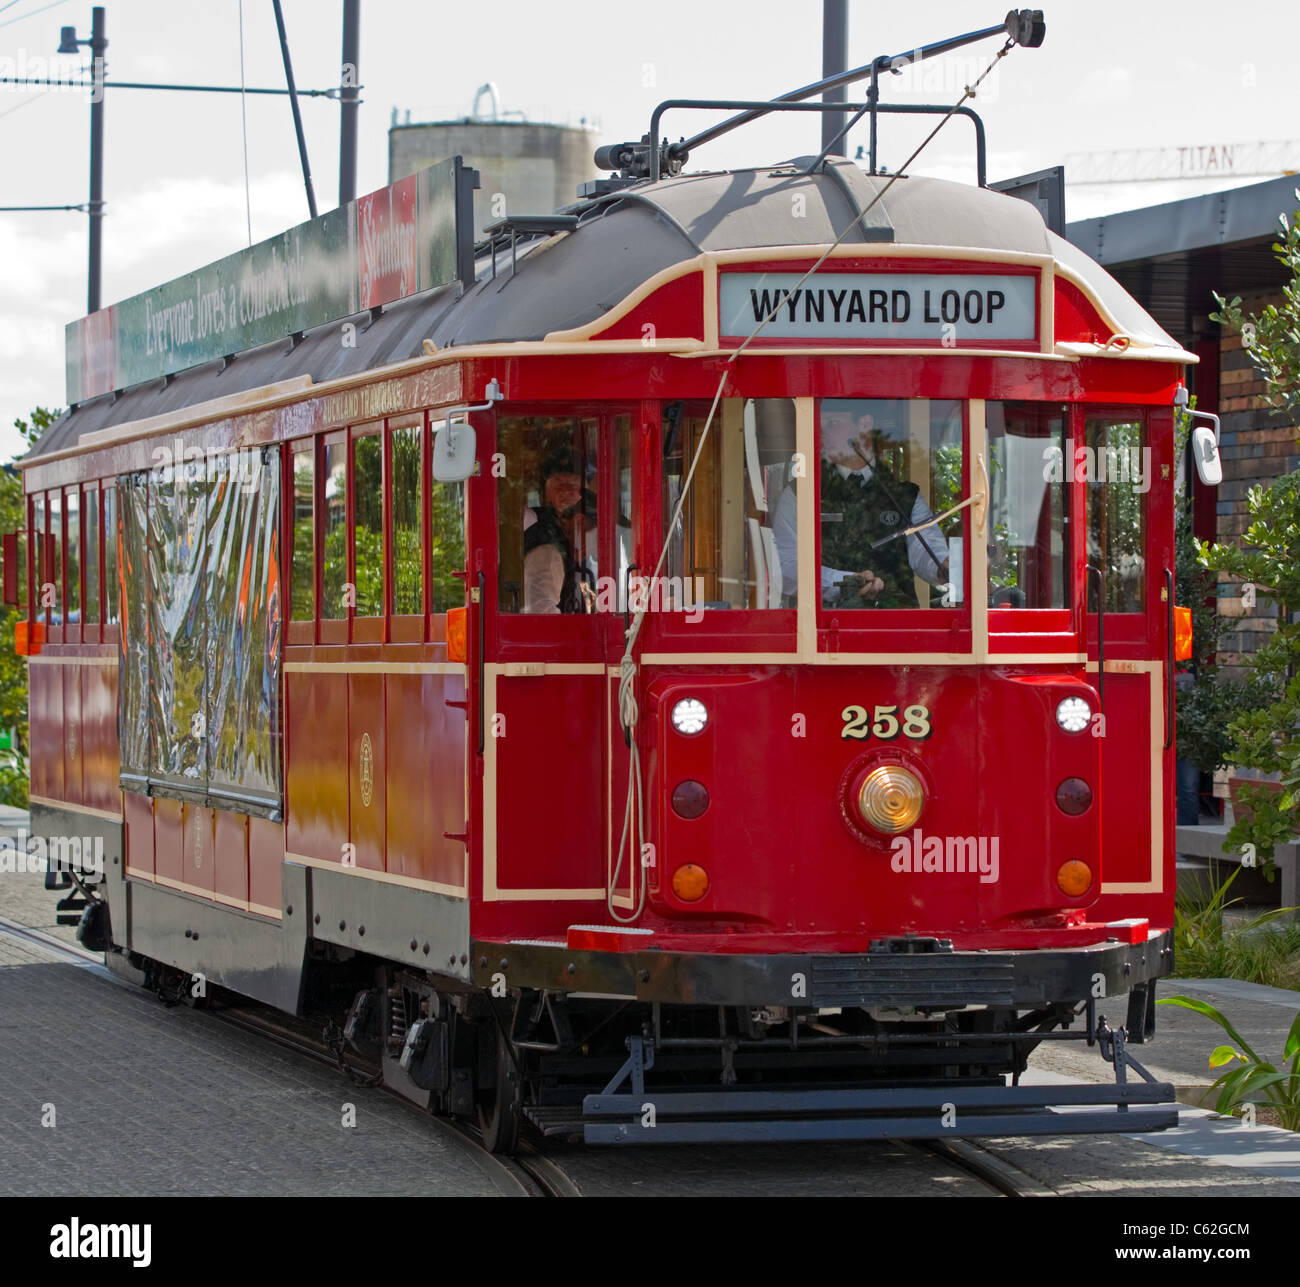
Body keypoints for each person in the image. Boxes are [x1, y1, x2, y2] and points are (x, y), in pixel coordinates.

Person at [774, 403, 950, 609]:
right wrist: (845, 582)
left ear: (864, 425)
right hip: (823, 628)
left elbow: (927, 550)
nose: (821, 434)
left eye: (833, 423)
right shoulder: (800, 493)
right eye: (816, 425)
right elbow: (785, 564)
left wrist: (944, 567)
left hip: (897, 628)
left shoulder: (905, 496)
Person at [523, 448, 597, 613]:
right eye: (560, 485)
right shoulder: (546, 551)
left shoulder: (588, 555)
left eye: (574, 486)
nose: (567, 493)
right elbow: (540, 612)